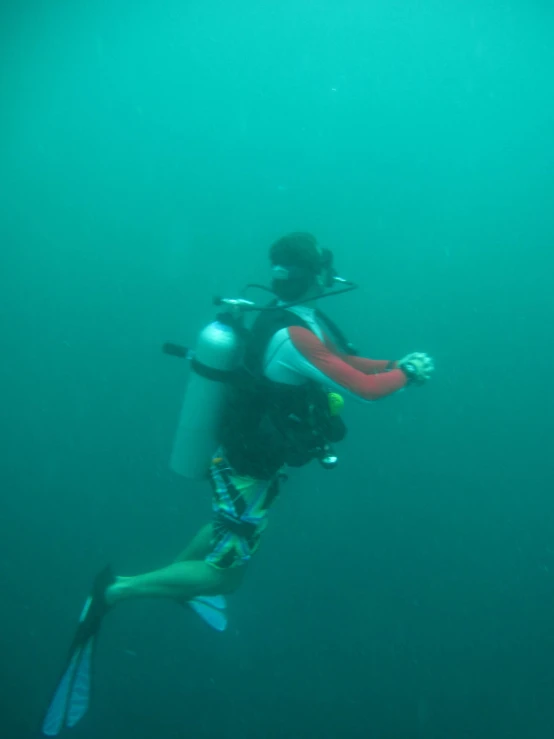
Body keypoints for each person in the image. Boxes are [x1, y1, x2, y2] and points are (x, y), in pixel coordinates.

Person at [41, 232, 434, 736]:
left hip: (250, 463)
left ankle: (181, 587)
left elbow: (350, 363)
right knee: (228, 577)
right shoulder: (294, 335)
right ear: (316, 275)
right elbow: (367, 390)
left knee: (224, 527)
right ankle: (114, 592)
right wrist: (407, 375)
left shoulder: (302, 319)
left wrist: (398, 365)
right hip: (247, 467)